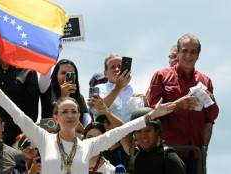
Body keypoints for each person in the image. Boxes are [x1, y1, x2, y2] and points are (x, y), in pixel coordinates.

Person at [0, 66, 175, 174]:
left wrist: (151, 116)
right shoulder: (43, 139)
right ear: (56, 118)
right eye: (64, 112)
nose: (70, 116)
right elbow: (18, 115)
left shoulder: (88, 145)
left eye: (74, 111)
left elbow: (119, 132)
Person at [149, 33, 219, 174]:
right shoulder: (161, 76)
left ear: (198, 55)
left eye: (193, 52)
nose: (188, 55)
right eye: (185, 51)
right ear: (178, 53)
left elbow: (210, 119)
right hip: (168, 153)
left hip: (196, 154)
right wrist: (177, 105)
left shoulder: (206, 81)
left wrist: (204, 149)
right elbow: (152, 113)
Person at [126, 107, 186, 174]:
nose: (143, 135)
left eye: (148, 130)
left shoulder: (169, 158)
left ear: (156, 132)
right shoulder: (132, 156)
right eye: (138, 131)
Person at [40, 59, 91, 127]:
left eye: (71, 74)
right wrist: (64, 98)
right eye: (63, 73)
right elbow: (45, 68)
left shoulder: (79, 97)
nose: (66, 77)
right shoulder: (47, 91)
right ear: (56, 75)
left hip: (75, 136)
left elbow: (86, 125)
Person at [90, 53, 133, 123]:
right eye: (113, 67)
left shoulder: (135, 90)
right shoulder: (97, 89)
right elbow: (95, 111)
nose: (117, 69)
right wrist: (117, 88)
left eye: (120, 66)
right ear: (105, 74)